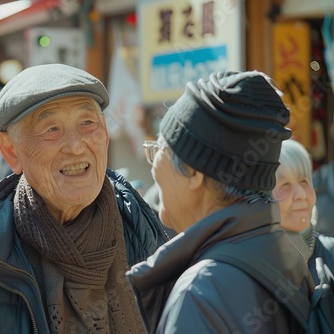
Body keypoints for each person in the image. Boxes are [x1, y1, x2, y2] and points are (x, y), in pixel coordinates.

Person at [0, 63, 169, 333]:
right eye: (51, 129)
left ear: (105, 134)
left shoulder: (142, 226)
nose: (75, 146)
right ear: (11, 151)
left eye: (87, 123)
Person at [126, 71, 313, 333]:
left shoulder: (202, 292)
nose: (154, 165)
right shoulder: (284, 253)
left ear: (193, 172)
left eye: (159, 151)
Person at [273, 138, 334, 284]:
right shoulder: (249, 264)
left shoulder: (330, 254)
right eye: (285, 185)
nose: (301, 195)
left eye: (304, 182)